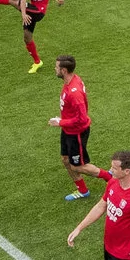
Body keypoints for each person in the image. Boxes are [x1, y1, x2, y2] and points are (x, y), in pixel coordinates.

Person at [49, 55, 98, 199]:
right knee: (65, 159)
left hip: (76, 132)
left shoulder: (74, 92)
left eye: (57, 67)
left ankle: (110, 176)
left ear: (64, 70)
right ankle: (83, 190)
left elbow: (81, 118)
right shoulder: (71, 80)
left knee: (77, 166)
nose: (55, 69)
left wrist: (60, 122)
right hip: (68, 130)